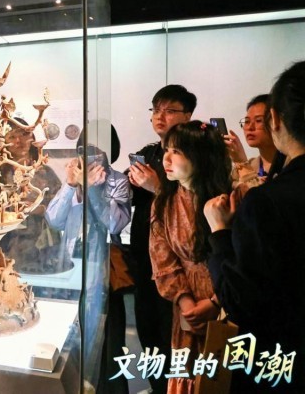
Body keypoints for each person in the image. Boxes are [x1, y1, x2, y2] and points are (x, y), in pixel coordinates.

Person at [204, 61, 305, 393]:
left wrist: (220, 233)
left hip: (278, 359)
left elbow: (241, 301)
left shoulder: (266, 200)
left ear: (276, 119)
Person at [46, 126, 131, 394]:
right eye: (86, 148)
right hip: (69, 268)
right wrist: (72, 185)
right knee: (67, 336)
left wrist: (92, 189)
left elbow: (115, 224)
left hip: (101, 272)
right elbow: (54, 219)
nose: (92, 155)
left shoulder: (118, 181)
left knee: (101, 343)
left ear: (110, 150)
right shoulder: (73, 177)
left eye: (98, 149)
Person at [149, 120, 231, 393]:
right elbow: (162, 257)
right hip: (187, 306)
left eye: (177, 152)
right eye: (166, 150)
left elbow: (243, 260)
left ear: (201, 157)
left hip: (226, 302)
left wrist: (215, 302)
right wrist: (186, 302)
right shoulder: (164, 201)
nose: (166, 159)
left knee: (220, 375)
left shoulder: (231, 197)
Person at [126, 84, 196, 394]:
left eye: (169, 110)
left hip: (181, 264)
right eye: (156, 110)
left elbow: (193, 205)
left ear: (188, 115)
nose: (160, 116)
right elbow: (130, 195)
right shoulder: (149, 152)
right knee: (149, 330)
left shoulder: (198, 152)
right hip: (145, 256)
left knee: (178, 338)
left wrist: (156, 187)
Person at [0, 118, 62, 271]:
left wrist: (40, 209)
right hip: (6, 243)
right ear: (3, 141)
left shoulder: (45, 172)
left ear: (32, 137)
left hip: (41, 245)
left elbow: (60, 206)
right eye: (12, 136)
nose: (18, 141)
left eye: (23, 134)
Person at [225, 94, 278, 189]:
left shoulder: (292, 164)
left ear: (276, 121)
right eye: (247, 121)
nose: (250, 127)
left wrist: (241, 162)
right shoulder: (248, 165)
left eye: (258, 120)